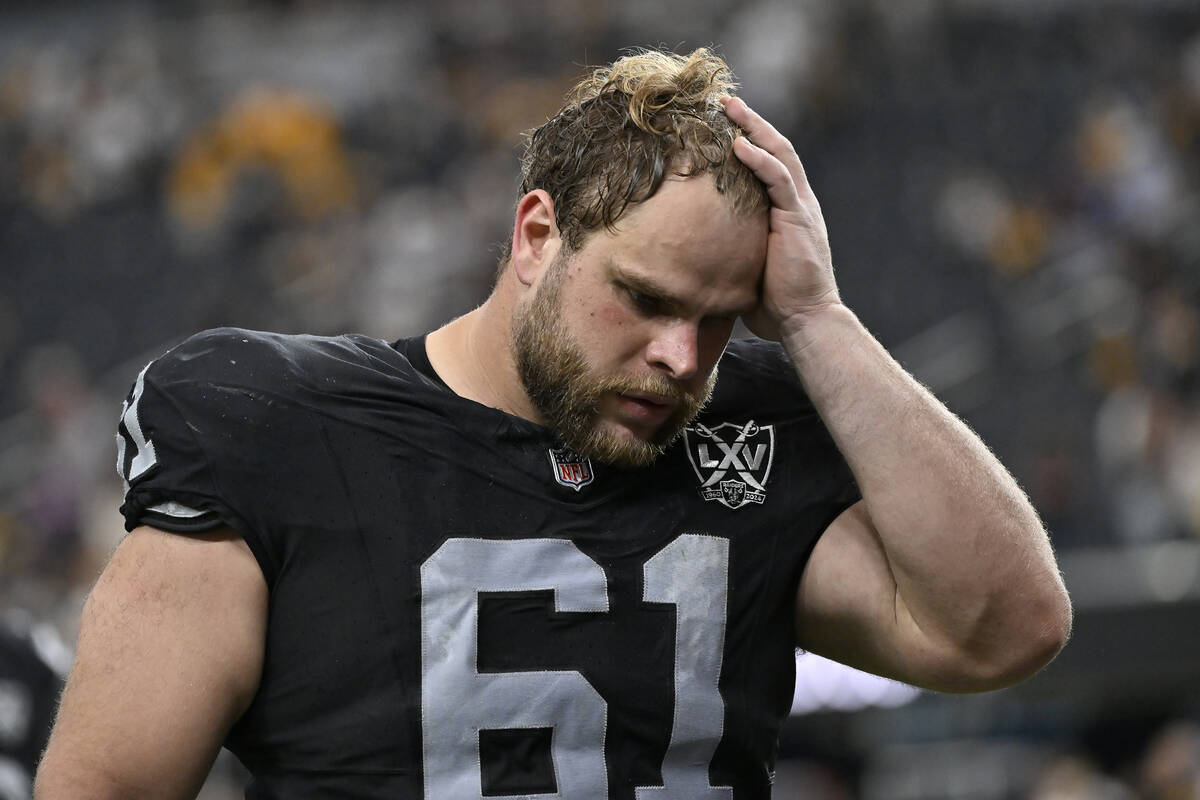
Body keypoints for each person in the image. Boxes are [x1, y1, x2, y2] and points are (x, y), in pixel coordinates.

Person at [35, 48, 1072, 798]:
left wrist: (816, 317)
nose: (681, 356)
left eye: (720, 320)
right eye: (648, 298)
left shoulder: (748, 432)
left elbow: (1005, 626)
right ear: (537, 234)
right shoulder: (272, 426)